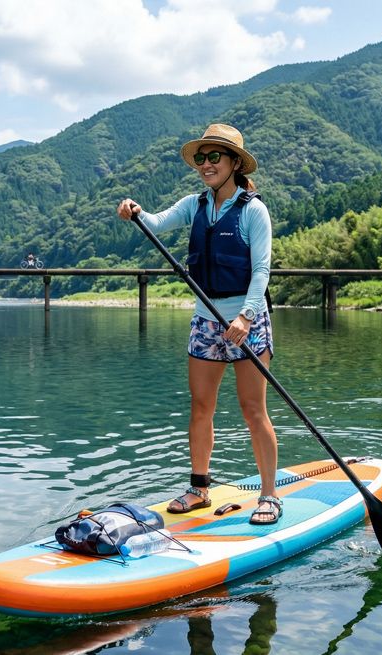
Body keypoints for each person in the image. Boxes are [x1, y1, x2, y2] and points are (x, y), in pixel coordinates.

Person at [116, 124, 279, 525]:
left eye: (214, 158)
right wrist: (135, 213)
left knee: (252, 409)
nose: (206, 165)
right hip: (206, 320)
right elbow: (155, 223)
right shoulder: (195, 204)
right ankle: (199, 488)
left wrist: (246, 316)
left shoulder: (253, 210)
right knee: (201, 407)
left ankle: (270, 495)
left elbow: (262, 271)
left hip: (247, 321)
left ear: (234, 163)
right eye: (201, 159)